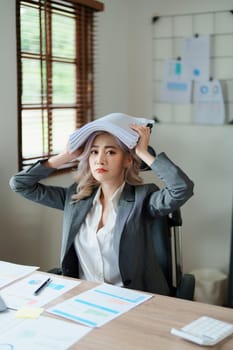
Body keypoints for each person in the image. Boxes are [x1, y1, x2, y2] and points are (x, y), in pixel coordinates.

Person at [9, 113, 194, 295]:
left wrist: (142, 153)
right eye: (94, 152)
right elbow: (20, 184)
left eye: (111, 152)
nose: (100, 160)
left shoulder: (143, 198)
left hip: (133, 299)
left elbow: (182, 188)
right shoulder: (75, 198)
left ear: (128, 160)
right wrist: (66, 155)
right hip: (84, 296)